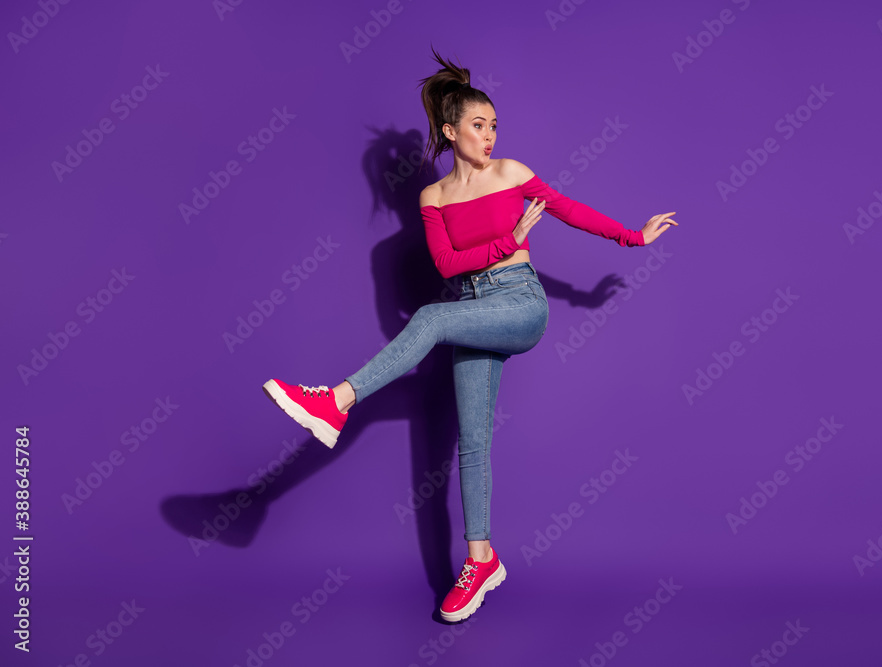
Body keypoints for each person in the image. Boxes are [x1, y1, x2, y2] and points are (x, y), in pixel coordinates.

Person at [263, 47, 677, 623]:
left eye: (495, 126)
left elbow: (571, 210)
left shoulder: (512, 173)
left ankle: (335, 401)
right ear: (450, 130)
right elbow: (449, 267)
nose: (489, 135)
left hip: (519, 303)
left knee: (430, 319)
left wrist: (633, 237)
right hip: (470, 307)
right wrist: (506, 241)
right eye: (479, 126)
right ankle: (480, 560)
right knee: (472, 443)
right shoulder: (433, 198)